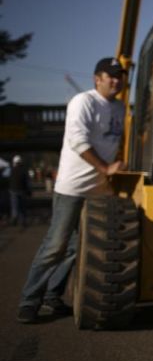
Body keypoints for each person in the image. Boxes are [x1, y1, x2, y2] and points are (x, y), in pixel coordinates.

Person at [16, 57, 126, 324]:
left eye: (119, 76)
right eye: (109, 76)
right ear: (96, 79)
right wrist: (105, 168)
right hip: (73, 188)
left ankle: (53, 297)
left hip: (99, 192)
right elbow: (78, 141)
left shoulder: (120, 108)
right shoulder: (83, 102)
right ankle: (29, 301)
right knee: (56, 245)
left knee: (76, 248)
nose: (115, 80)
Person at [8, 155, 32, 227]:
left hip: (13, 190)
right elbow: (27, 182)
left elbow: (7, 180)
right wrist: (29, 191)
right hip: (22, 190)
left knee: (14, 206)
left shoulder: (11, 170)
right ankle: (23, 221)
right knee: (22, 206)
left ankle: (14, 216)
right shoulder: (24, 171)